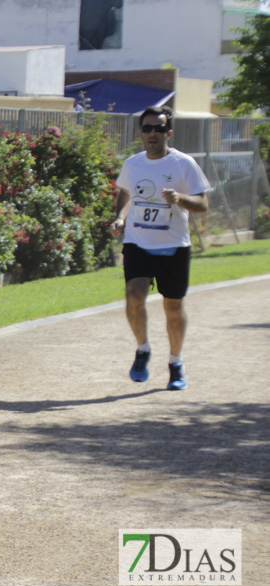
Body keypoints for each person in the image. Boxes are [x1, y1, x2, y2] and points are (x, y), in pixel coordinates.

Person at [109, 105, 209, 390]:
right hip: (138, 242)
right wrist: (120, 217)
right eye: (148, 128)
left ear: (169, 133)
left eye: (159, 128)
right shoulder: (133, 163)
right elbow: (127, 194)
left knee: (173, 307)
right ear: (141, 133)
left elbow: (202, 205)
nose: (153, 133)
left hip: (173, 245)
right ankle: (142, 350)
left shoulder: (183, 164)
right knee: (134, 295)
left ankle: (175, 362)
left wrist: (179, 198)